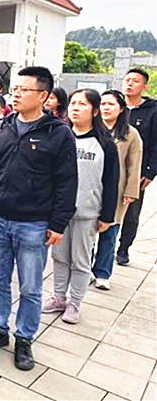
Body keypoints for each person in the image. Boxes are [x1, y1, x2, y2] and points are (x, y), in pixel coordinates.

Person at [0, 66, 78, 371]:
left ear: (43, 96)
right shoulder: (4, 126)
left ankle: (24, 338)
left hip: (34, 223)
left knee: (30, 287)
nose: (15, 94)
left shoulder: (58, 133)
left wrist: (58, 223)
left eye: (23, 90)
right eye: (14, 89)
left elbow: (67, 181)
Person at [43, 89, 119, 324]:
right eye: (73, 103)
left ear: (95, 111)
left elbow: (111, 181)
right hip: (59, 213)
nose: (75, 108)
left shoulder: (105, 143)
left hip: (87, 212)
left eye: (82, 104)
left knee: (81, 260)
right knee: (59, 257)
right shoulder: (61, 137)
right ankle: (58, 297)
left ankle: (75, 303)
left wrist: (107, 216)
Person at [91, 90, 142, 289]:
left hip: (116, 191)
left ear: (121, 109)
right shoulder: (91, 128)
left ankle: (102, 273)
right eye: (102, 104)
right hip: (91, 187)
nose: (105, 108)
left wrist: (130, 192)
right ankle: (85, 269)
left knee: (110, 232)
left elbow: (134, 165)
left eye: (110, 104)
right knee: (87, 232)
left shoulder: (130, 134)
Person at [116, 68, 157, 266]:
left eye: (135, 81)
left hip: (138, 171)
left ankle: (123, 249)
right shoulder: (116, 106)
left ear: (144, 86)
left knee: (131, 213)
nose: (129, 84)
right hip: (112, 168)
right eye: (127, 80)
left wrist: (150, 172)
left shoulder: (153, 111)